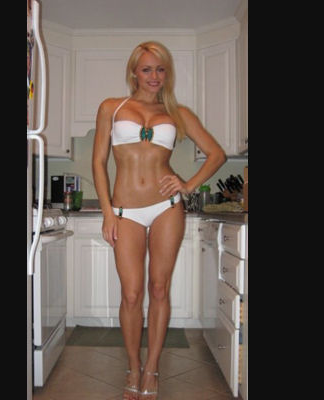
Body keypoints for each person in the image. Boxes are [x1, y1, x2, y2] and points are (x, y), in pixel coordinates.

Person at [92, 41, 226, 400]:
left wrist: (187, 185)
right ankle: (132, 366)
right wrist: (107, 211)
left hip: (167, 206)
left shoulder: (177, 113)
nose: (154, 76)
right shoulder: (111, 107)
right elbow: (98, 162)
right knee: (131, 293)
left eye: (161, 69)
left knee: (159, 289)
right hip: (125, 210)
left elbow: (216, 154)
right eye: (147, 69)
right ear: (134, 72)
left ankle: (151, 368)